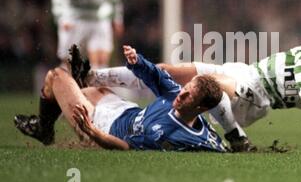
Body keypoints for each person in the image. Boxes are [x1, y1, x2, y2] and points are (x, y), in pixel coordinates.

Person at [74, 38, 301, 154]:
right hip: (246, 71)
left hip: (259, 98)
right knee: (169, 70)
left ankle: (235, 134)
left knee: (206, 84)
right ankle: (91, 76)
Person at [14, 45, 227, 152]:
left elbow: (125, 147)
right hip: (123, 110)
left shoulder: (168, 134)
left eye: (189, 95)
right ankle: (49, 120)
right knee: (84, 89)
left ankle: (44, 129)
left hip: (102, 126)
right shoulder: (180, 99)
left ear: (200, 107)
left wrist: (93, 132)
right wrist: (138, 61)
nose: (182, 93)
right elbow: (157, 76)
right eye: (185, 88)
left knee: (57, 76)